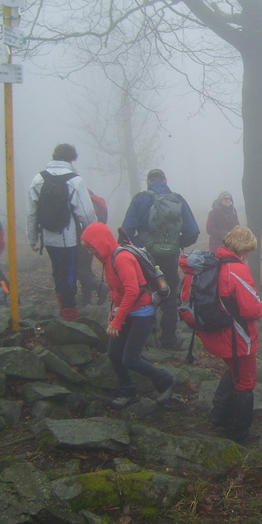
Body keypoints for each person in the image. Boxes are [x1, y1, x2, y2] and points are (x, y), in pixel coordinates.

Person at [80, 222, 177, 409]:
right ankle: (128, 391)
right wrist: (113, 311)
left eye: (91, 247)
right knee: (114, 353)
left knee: (130, 358)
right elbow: (118, 291)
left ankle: (166, 380)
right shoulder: (107, 260)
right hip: (127, 310)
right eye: (88, 249)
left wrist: (117, 321)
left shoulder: (122, 258)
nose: (90, 252)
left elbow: (132, 291)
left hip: (142, 311)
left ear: (101, 242)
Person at [197, 226, 262, 443]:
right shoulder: (237, 270)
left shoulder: (215, 263)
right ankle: (238, 430)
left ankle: (218, 414)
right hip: (237, 337)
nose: (248, 256)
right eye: (248, 251)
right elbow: (251, 310)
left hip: (218, 332)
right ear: (243, 248)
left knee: (233, 370)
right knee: (246, 382)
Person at [122, 168, 200, 350]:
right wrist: (175, 243)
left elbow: (126, 230)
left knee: (146, 290)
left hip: (144, 255)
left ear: (148, 181)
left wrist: (137, 246)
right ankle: (168, 339)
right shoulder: (177, 199)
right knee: (169, 293)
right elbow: (193, 231)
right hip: (169, 256)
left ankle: (146, 336)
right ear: (166, 180)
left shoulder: (140, 199)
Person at [26, 143, 97, 321]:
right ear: (72, 159)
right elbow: (86, 213)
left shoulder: (39, 179)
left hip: (48, 237)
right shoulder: (75, 180)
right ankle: (70, 314)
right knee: (69, 273)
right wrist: (94, 237)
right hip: (68, 238)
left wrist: (32, 238)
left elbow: (32, 211)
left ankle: (63, 308)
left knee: (57, 271)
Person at [76, 189, 109, 306]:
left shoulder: (83, 201)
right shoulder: (97, 201)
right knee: (86, 268)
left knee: (76, 269)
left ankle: (99, 286)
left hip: (81, 239)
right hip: (92, 240)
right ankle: (86, 300)